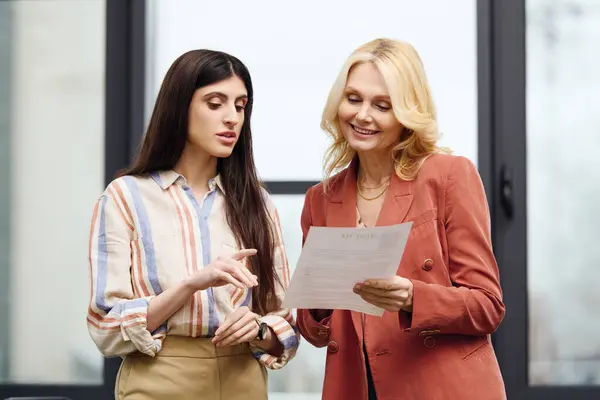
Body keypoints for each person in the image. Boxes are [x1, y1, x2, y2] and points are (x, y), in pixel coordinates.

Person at [297, 38, 506, 400]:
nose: (363, 115)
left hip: (443, 388)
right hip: (357, 386)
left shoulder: (449, 176)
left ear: (407, 114)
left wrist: (413, 297)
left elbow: (487, 306)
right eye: (353, 99)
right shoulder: (321, 199)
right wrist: (319, 297)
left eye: (383, 105)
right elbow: (314, 330)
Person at [87, 49, 299, 400]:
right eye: (215, 104)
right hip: (158, 378)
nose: (231, 117)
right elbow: (105, 327)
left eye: (240, 106)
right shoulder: (126, 197)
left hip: (242, 379)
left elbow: (286, 322)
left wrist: (259, 329)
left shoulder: (257, 203)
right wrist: (189, 285)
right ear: (179, 107)